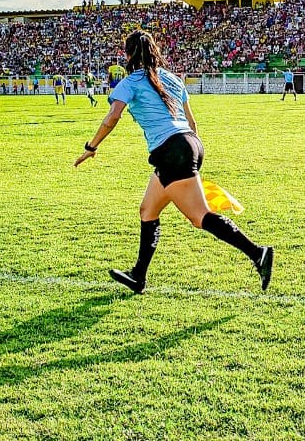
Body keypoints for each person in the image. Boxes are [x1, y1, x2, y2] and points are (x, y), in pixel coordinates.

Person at [74, 30, 273, 294]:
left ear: (129, 55)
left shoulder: (131, 81)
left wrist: (91, 147)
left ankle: (257, 253)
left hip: (172, 150)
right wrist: (192, 154)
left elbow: (112, 117)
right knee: (148, 211)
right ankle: (138, 277)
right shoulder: (172, 79)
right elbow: (192, 121)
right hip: (189, 143)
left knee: (199, 216)